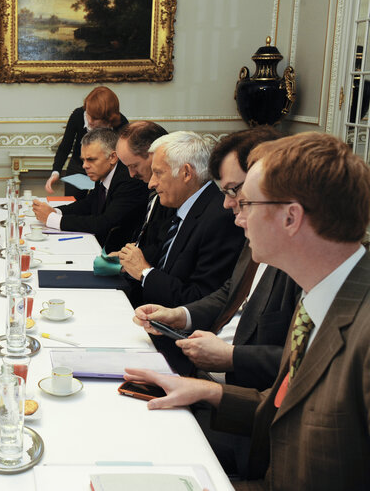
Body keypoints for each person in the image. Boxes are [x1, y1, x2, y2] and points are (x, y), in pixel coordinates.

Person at [126, 132, 370, 490]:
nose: (236, 216)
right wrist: (205, 391)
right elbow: (285, 408)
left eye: (247, 204)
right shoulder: (317, 296)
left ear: (291, 218)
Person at [132, 126, 300, 478]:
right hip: (210, 378)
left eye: (237, 193)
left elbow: (297, 367)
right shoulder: (256, 234)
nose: (229, 206)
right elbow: (230, 293)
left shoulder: (296, 259)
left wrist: (228, 359)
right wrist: (180, 315)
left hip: (241, 408)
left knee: (141, 439)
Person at [125, 131, 245, 307]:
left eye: (158, 173)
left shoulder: (219, 219)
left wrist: (144, 272)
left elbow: (200, 298)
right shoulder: (180, 205)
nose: (151, 183)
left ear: (187, 173)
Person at [32, 128, 148, 251]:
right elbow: (88, 204)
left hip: (118, 253)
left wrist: (52, 219)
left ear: (113, 157)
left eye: (91, 159)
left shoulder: (129, 179)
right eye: (83, 160)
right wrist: (55, 212)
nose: (84, 166)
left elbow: (104, 223)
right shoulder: (104, 172)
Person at [110, 120, 175, 267]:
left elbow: (163, 245)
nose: (131, 174)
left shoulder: (173, 196)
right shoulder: (152, 189)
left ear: (153, 155)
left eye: (134, 166)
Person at [45, 86, 129, 199]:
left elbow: (122, 155)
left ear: (108, 119)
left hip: (105, 170)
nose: (90, 121)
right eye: (88, 114)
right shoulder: (78, 114)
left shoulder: (121, 124)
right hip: (78, 168)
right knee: (73, 204)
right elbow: (65, 146)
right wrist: (55, 172)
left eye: (95, 119)